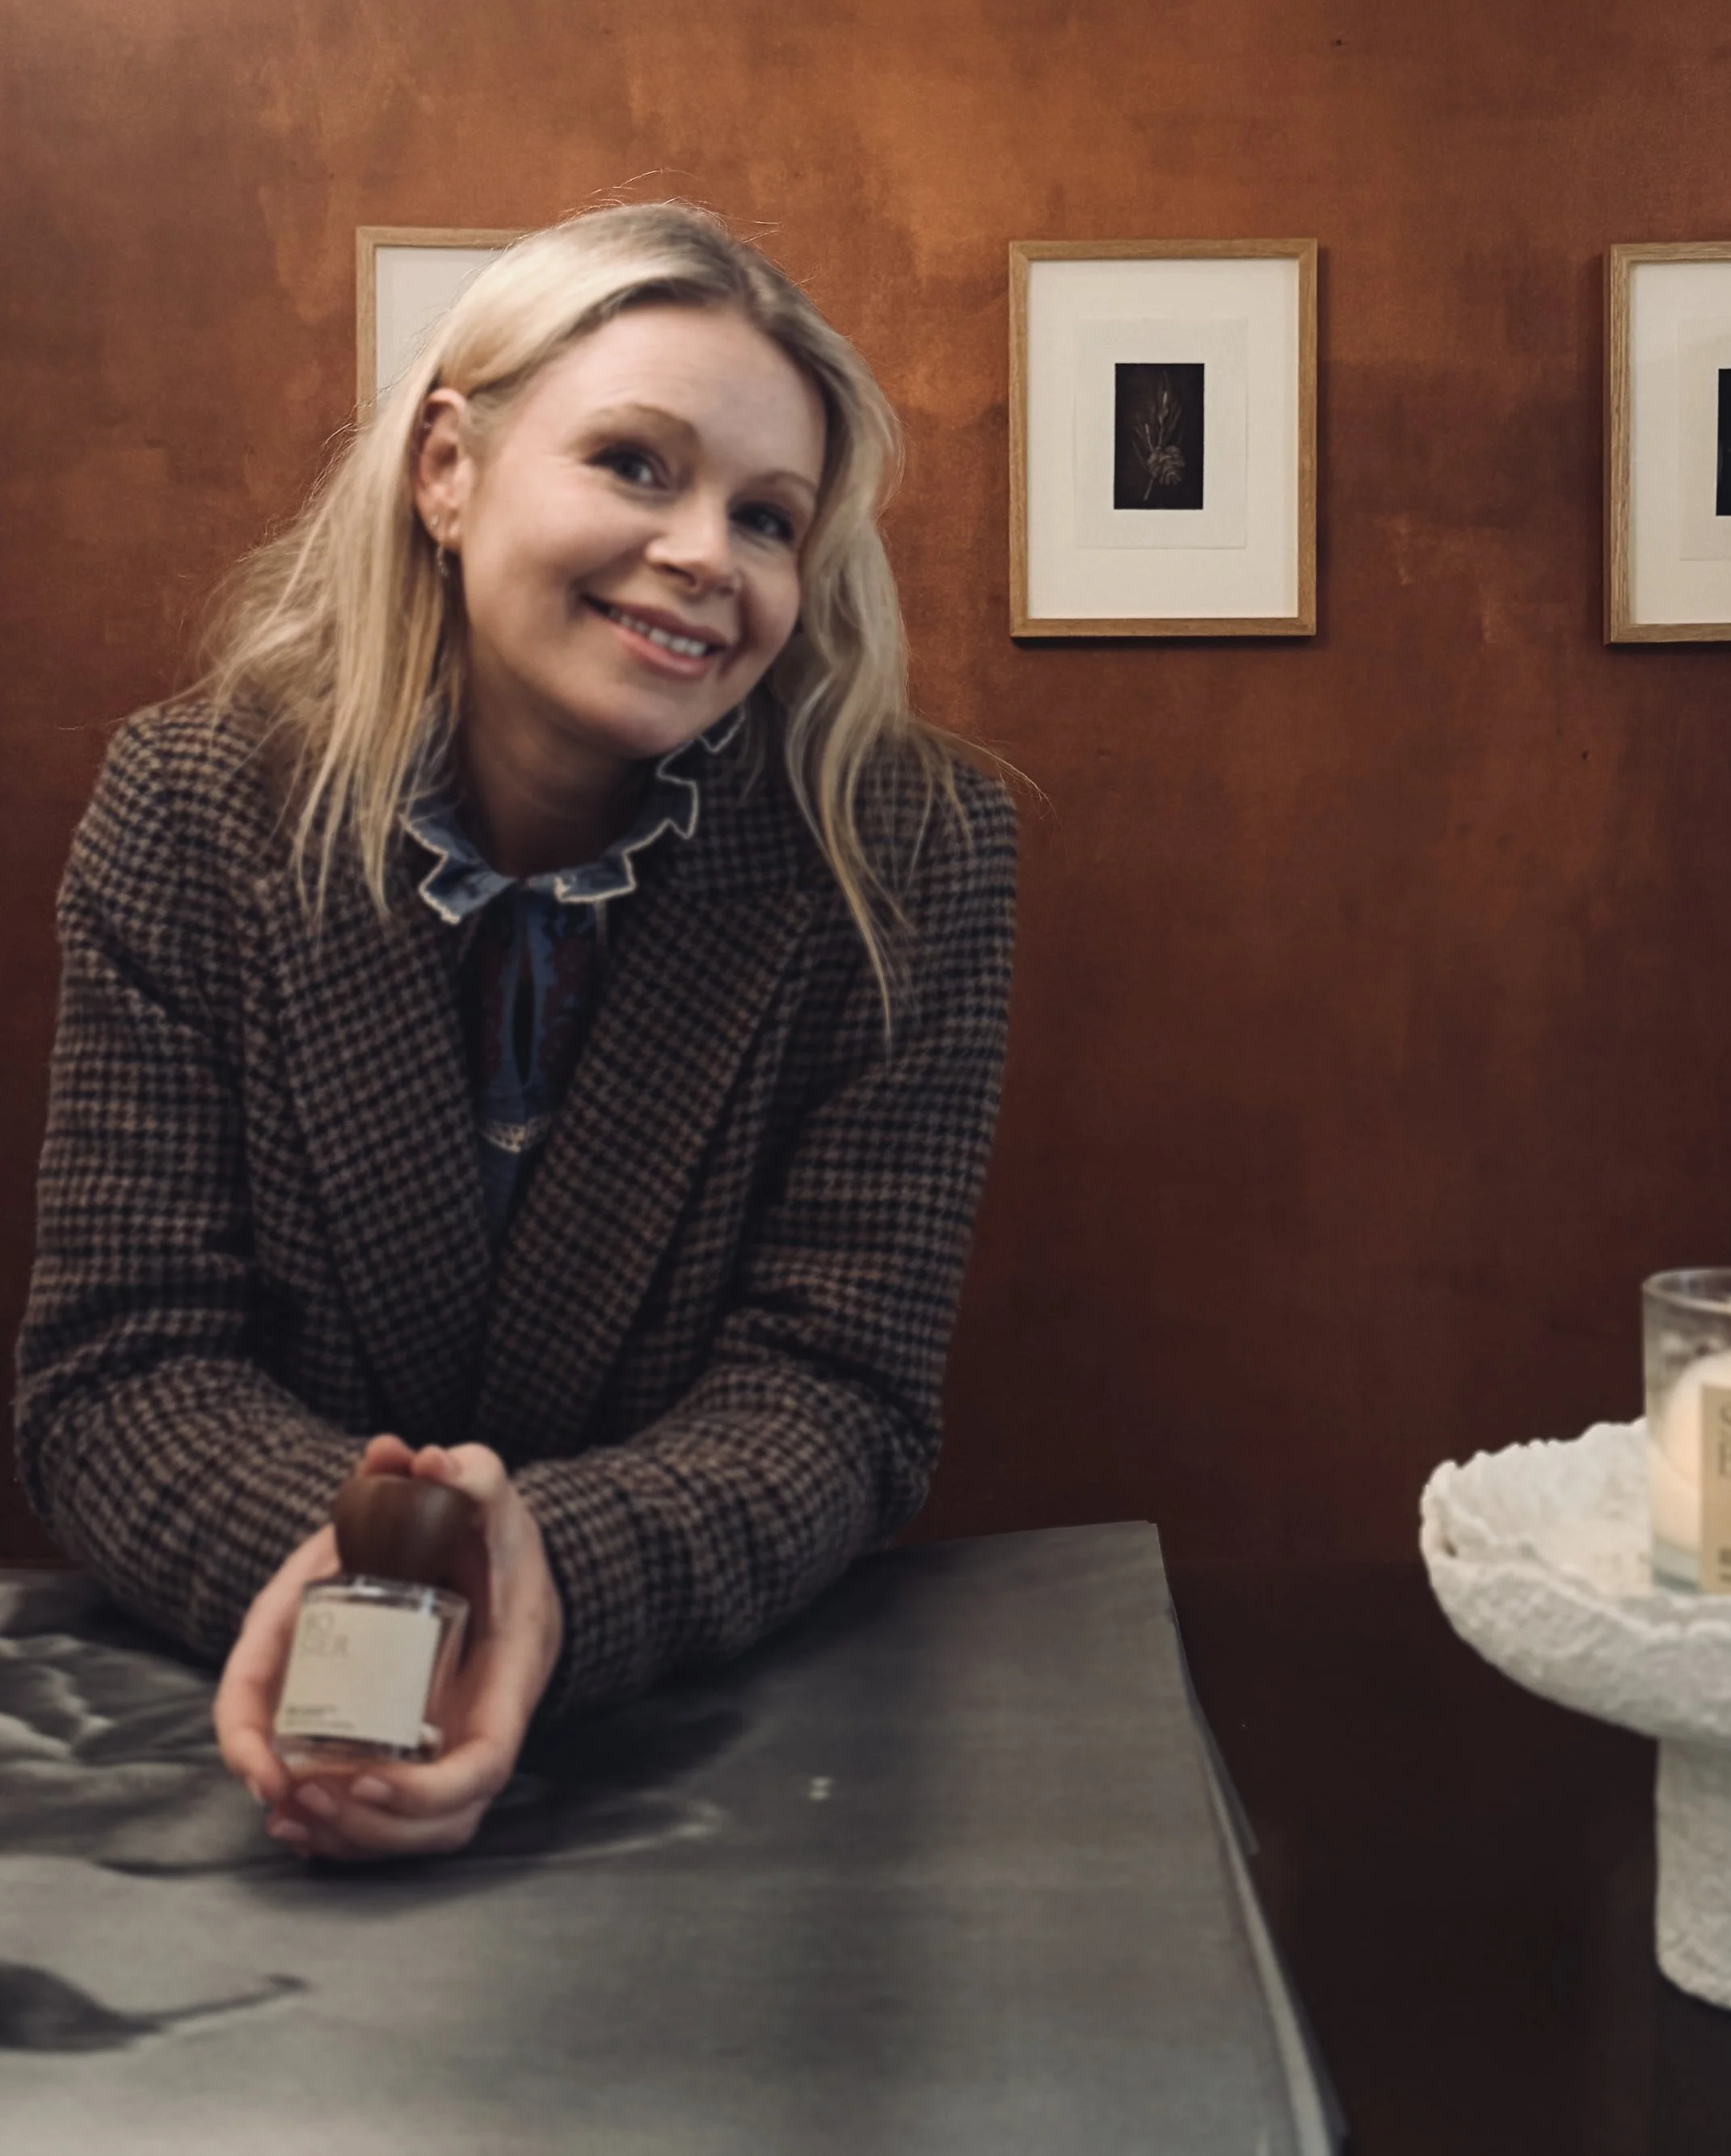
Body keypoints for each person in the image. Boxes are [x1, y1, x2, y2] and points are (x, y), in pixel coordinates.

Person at [15, 203, 1017, 1863]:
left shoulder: (905, 855)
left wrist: (544, 1569)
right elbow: (121, 1366)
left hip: (714, 1764)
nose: (706, 552)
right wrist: (385, 1589)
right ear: (445, 469)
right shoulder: (194, 807)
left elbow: (838, 1391)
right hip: (255, 1717)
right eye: (635, 463)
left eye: (766, 517)